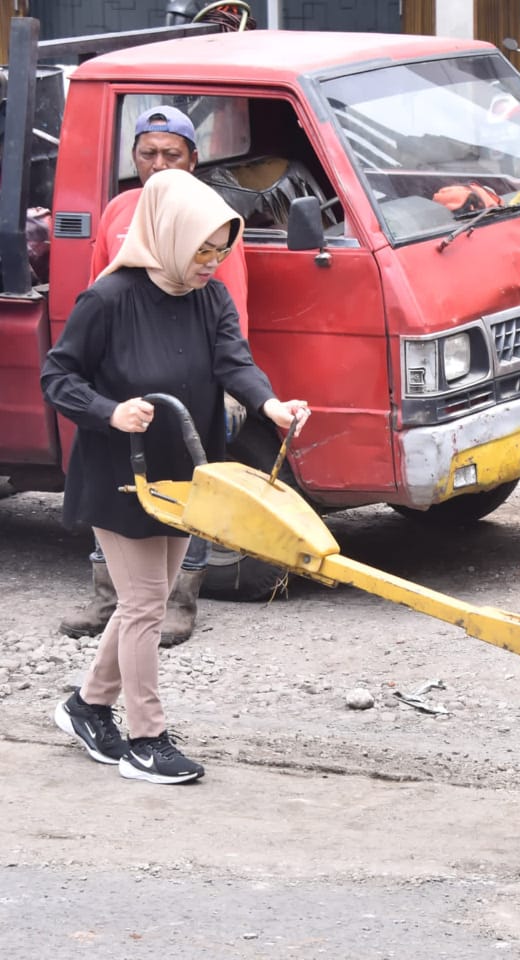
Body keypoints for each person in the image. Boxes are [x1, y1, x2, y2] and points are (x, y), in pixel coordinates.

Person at [42, 168, 309, 783]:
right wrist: (110, 411)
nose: (212, 263)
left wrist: (270, 404)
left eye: (221, 251)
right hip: (120, 472)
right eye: (202, 251)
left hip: (186, 471)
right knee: (143, 605)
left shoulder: (210, 297)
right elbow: (59, 377)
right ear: (167, 237)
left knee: (150, 599)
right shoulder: (107, 300)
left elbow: (232, 361)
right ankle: (146, 740)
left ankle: (86, 706)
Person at [59, 104, 250, 647]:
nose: (159, 163)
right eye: (148, 153)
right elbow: (104, 283)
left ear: (194, 158)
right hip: (122, 393)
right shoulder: (120, 211)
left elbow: (225, 305)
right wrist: (101, 400)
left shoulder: (207, 223)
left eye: (172, 153)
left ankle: (180, 602)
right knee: (116, 486)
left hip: (193, 382)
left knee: (187, 481)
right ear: (134, 158)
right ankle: (108, 599)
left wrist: (243, 390)